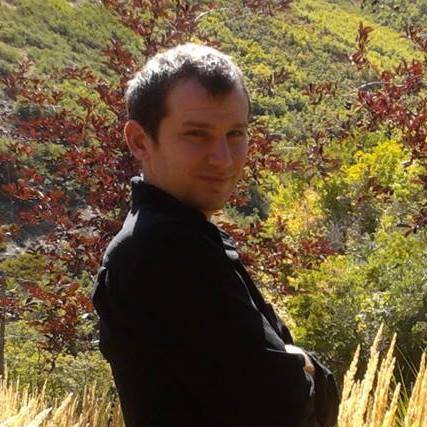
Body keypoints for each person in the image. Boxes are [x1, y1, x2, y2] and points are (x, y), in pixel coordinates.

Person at [92, 43, 339, 427]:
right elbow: (282, 403)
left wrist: (297, 369)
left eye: (235, 133)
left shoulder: (185, 235)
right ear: (140, 141)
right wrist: (304, 365)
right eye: (197, 135)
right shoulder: (161, 251)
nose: (223, 158)